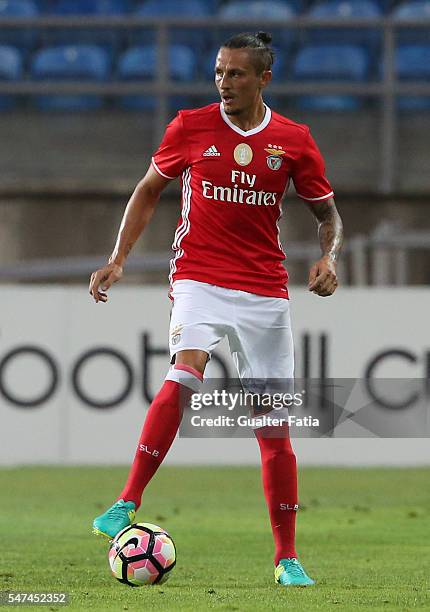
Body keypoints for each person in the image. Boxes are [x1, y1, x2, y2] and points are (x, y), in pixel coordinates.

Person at [89, 31, 343, 587]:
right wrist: (118, 259)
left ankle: (286, 559)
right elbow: (149, 190)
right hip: (199, 275)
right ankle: (127, 500)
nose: (224, 83)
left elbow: (327, 214)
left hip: (265, 288)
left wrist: (327, 257)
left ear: (263, 79)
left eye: (235, 74)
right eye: (219, 73)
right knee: (187, 368)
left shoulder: (293, 139)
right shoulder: (190, 126)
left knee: (273, 427)